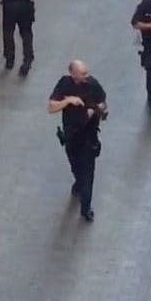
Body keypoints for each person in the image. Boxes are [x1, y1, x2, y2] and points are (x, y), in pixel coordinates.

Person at [48, 60, 108, 222]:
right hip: (71, 137)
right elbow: (51, 107)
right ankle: (79, 182)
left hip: (88, 138)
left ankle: (85, 207)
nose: (86, 76)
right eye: (82, 74)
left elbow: (103, 101)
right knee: (76, 167)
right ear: (72, 74)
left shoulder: (92, 84)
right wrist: (68, 101)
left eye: (86, 72)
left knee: (88, 174)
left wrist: (96, 110)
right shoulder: (65, 84)